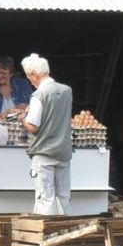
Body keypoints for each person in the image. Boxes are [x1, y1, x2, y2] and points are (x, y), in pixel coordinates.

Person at [21, 53, 73, 215]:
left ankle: (45, 235)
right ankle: (64, 233)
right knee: (63, 196)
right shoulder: (66, 91)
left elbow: (33, 127)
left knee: (45, 198)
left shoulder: (38, 95)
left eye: (29, 78)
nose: (30, 81)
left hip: (44, 153)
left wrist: (23, 118)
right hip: (63, 151)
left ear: (34, 75)